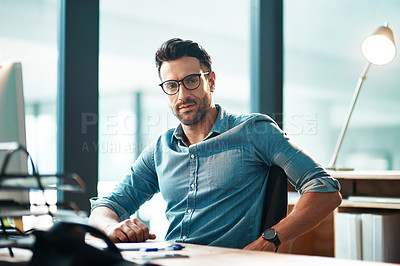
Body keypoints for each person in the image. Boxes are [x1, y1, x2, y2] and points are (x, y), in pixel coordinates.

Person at [89, 38, 342, 251]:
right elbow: (105, 207)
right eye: (171, 86)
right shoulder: (161, 149)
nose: (182, 95)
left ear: (210, 81)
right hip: (170, 258)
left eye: (191, 81)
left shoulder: (253, 131)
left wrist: (268, 241)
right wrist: (113, 226)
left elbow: (325, 191)